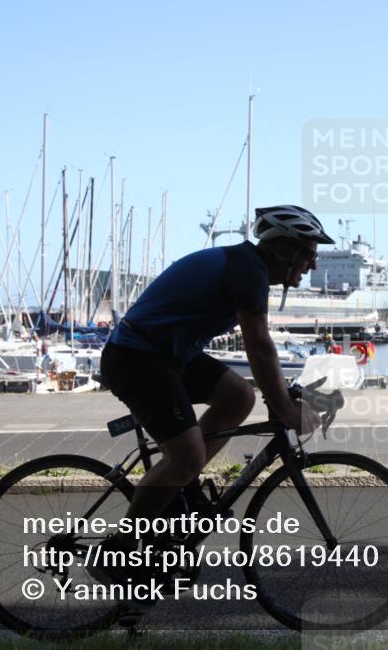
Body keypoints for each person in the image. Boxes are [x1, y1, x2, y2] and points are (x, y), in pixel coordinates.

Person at [92, 205, 332, 597]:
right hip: (136, 357)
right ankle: (116, 552)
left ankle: (179, 493)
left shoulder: (249, 267)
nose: (313, 262)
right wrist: (286, 410)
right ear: (284, 249)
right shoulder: (248, 270)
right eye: (308, 253)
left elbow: (262, 353)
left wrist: (280, 393)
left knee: (239, 396)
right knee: (184, 458)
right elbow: (258, 344)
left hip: (167, 355)